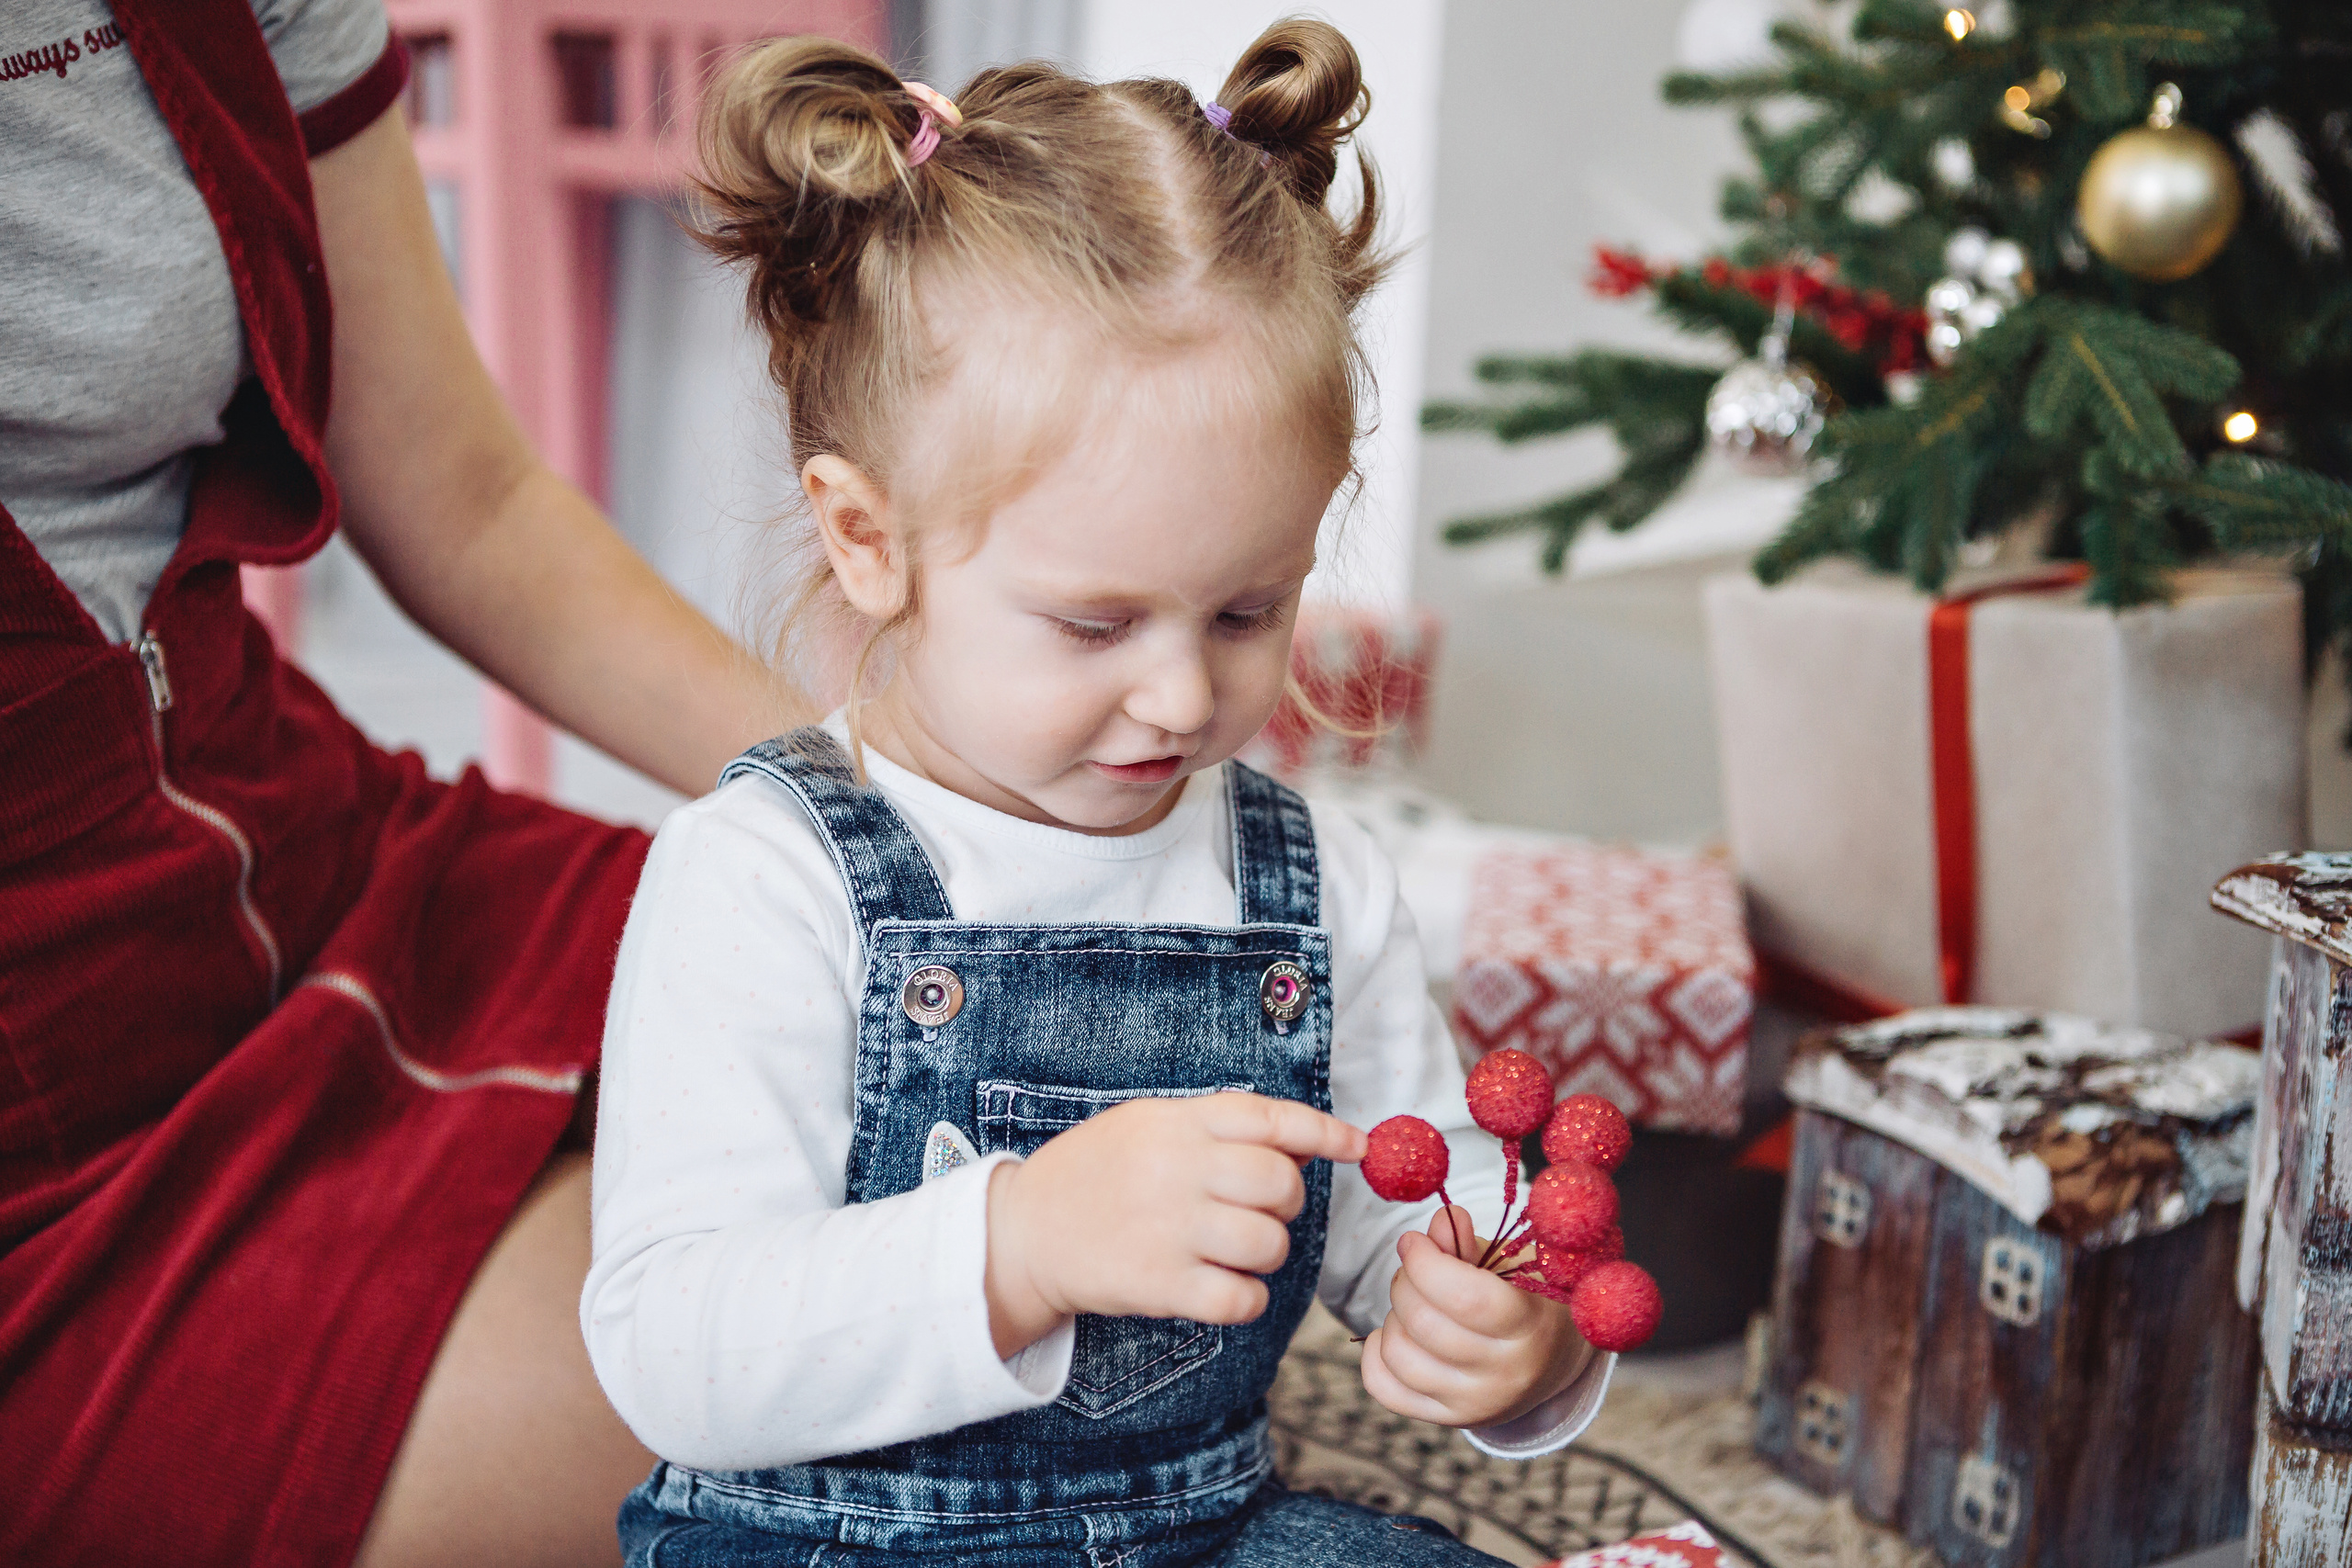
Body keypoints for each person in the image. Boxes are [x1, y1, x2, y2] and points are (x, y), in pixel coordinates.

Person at [583, 21, 1616, 1566]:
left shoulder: (1313, 885)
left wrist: (1510, 1341)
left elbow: (1429, 1215)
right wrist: (1020, 1244)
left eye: (1248, 612)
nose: (1187, 696)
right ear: (871, 541)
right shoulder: (761, 877)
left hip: (1197, 1529)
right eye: (1094, 625)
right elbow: (672, 1345)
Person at [0, 2, 802, 1562]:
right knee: (848, 1381)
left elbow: (473, 498)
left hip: (323, 857)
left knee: (1033, 1125)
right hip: (55, 1160)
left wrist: (894, 810)